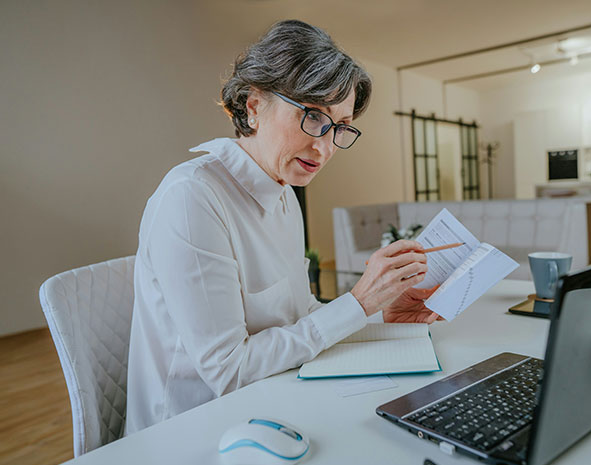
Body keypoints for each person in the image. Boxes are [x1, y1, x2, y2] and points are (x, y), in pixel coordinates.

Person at [125, 19, 439, 434]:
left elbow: (300, 314)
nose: (325, 147)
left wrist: (379, 313)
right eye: (313, 116)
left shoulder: (284, 193)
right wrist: (359, 303)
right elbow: (229, 372)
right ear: (254, 105)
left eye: (340, 127)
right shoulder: (193, 197)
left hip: (275, 401)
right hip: (195, 430)